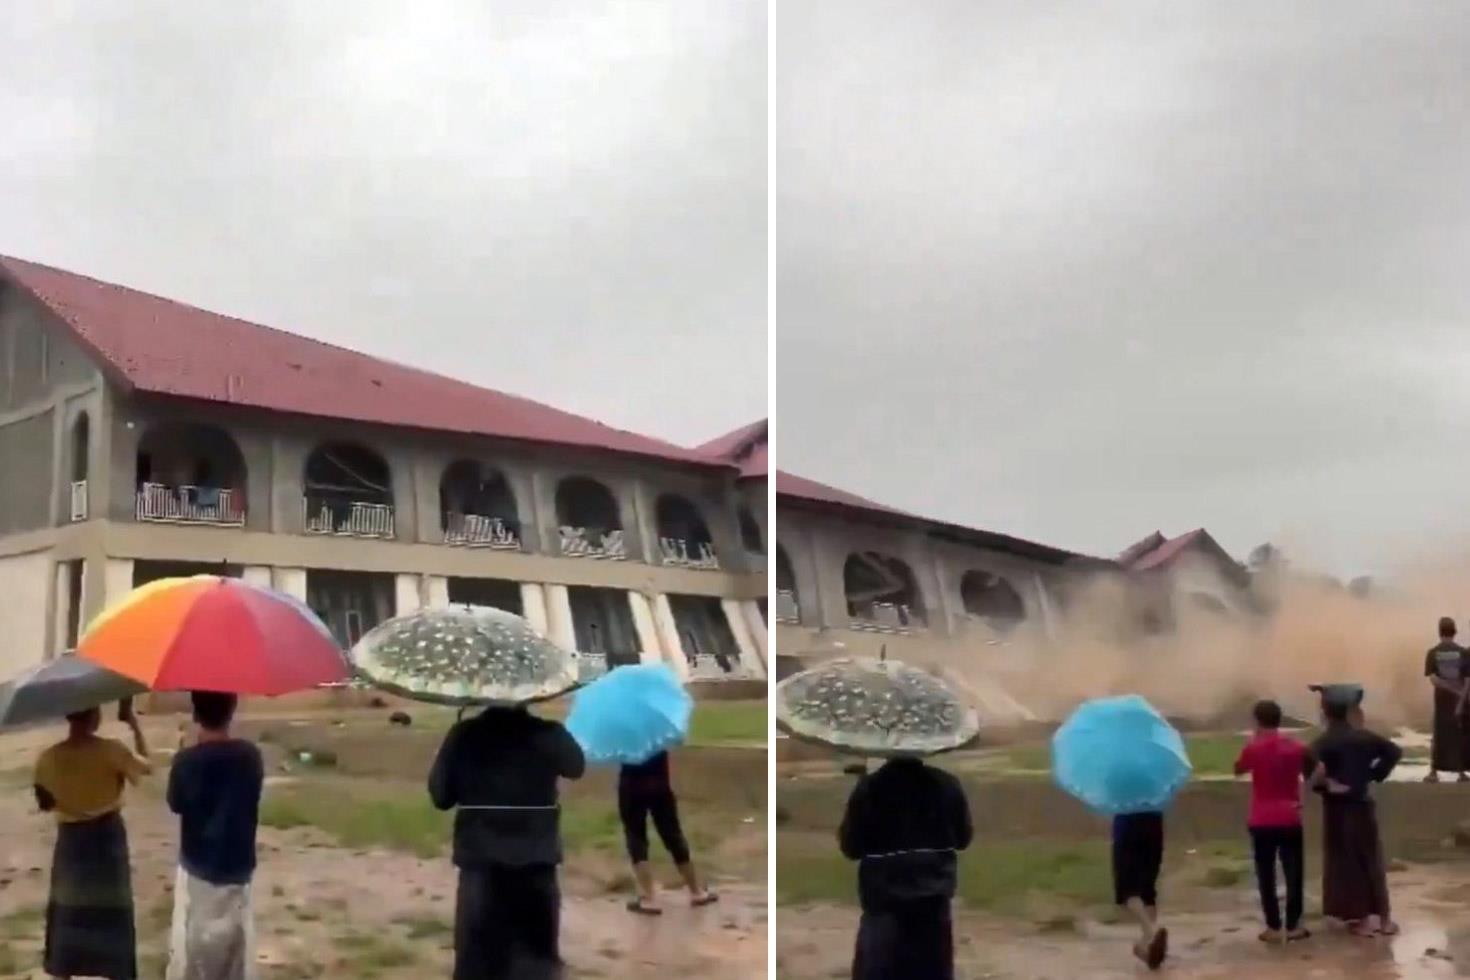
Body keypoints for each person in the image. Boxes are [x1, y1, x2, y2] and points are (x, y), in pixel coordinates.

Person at [429, 705, 586, 980]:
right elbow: (576, 766)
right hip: (536, 864)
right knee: (536, 962)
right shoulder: (549, 733)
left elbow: (441, 796)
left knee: (477, 962)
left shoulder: (465, 735)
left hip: (481, 864)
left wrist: (457, 744)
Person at [33, 701, 151, 980]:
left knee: (67, 912)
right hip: (107, 840)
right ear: (95, 715)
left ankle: (64, 969)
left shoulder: (48, 759)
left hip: (71, 844)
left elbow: (45, 803)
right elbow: (146, 767)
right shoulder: (111, 751)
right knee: (113, 912)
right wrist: (132, 722)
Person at [838, 755, 973, 980]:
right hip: (933, 908)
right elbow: (963, 838)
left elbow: (850, 847)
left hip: (883, 907)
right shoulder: (947, 784)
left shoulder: (871, 788)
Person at [165, 691, 264, 980]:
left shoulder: (186, 761)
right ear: (232, 710)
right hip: (237, 864)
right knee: (235, 948)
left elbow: (176, 804)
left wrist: (184, 754)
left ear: (195, 715)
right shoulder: (249, 756)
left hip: (197, 863)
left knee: (193, 946)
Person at [1309, 684, 1402, 937]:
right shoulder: (1364, 737)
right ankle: (1383, 919)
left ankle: (1359, 919)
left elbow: (1308, 768)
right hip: (1363, 802)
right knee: (1371, 859)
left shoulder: (1323, 742)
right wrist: (1373, 774)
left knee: (1346, 862)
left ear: (1326, 713)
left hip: (1338, 809)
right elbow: (1394, 751)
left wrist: (1326, 785)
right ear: (1349, 712)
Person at [1233, 699, 1311, 943]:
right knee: (1294, 872)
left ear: (1257, 721)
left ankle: (1273, 927)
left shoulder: (1253, 748)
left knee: (1265, 874)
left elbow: (1238, 769)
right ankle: (1294, 925)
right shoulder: (1296, 747)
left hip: (1261, 819)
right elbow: (1316, 770)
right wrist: (1304, 795)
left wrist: (1251, 742)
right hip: (1289, 816)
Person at [618, 750, 718, 914]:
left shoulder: (622, 730)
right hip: (659, 784)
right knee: (672, 834)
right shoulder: (658, 729)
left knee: (635, 835)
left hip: (631, 786)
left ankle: (650, 897)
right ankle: (696, 891)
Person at [1112, 810, 1169, 969]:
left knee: (1128, 890)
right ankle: (1146, 946)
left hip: (1127, 825)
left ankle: (1151, 933)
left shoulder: (1121, 786)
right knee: (1147, 890)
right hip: (1154, 823)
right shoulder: (1154, 787)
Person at [1423, 617, 1468, 782]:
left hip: (1441, 702)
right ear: (1454, 631)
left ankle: (1434, 772)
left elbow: (1433, 679)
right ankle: (1461, 773)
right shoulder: (1464, 652)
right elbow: (1468, 681)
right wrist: (1460, 697)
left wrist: (1449, 688)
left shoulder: (1433, 653)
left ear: (1439, 631)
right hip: (1461, 702)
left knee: (1439, 735)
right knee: (1459, 736)